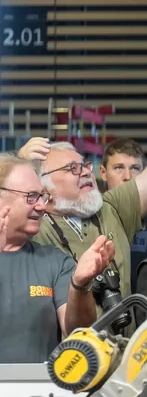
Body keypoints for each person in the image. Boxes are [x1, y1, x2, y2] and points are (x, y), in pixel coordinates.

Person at [19, 89, 147, 303]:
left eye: (84, 165)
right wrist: (19, 166)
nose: (85, 171)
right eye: (72, 168)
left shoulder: (111, 208)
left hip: (124, 335)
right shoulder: (32, 223)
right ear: (43, 186)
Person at [0, 155, 115, 363]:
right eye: (30, 197)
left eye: (41, 197)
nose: (42, 207)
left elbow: (77, 331)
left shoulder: (55, 262)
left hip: (36, 391)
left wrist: (80, 285)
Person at [96, 137, 147, 292]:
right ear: (103, 172)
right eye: (119, 168)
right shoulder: (91, 216)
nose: (127, 176)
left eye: (135, 168)